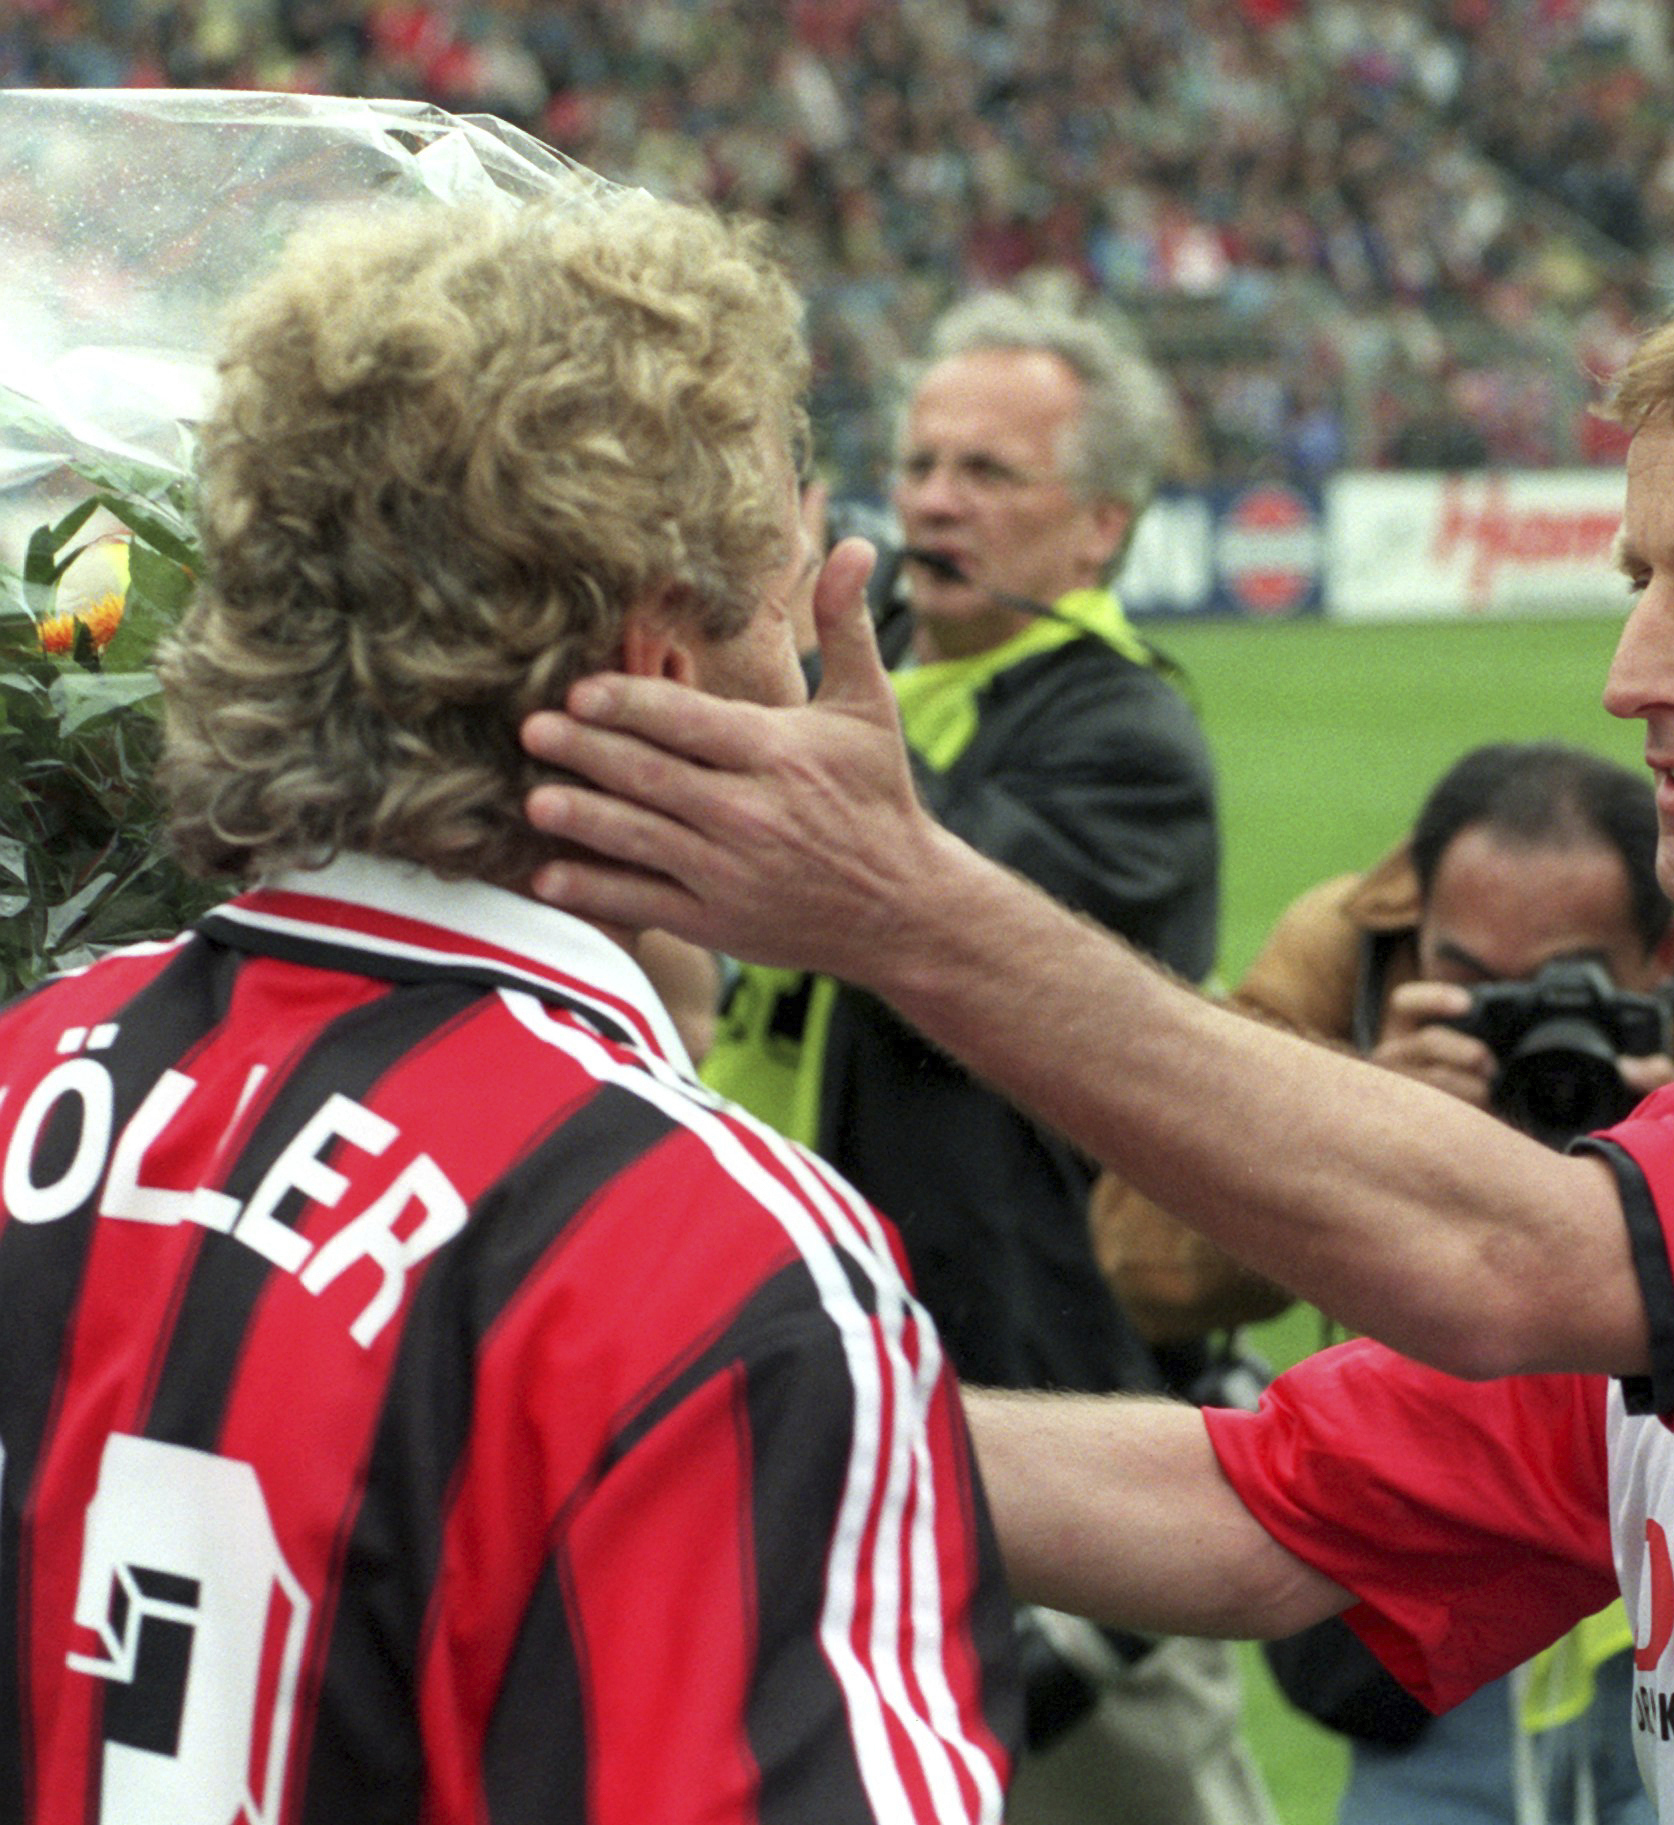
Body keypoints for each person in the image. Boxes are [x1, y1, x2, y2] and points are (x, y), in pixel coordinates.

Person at [518, 222, 1674, 1823]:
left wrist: (904, 909)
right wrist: (638, 1414)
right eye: (1644, 581)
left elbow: (1499, 1255)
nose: (1633, 675)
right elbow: (1247, 1513)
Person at [0, 192, 1015, 1822]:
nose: (816, 659)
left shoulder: (24, 1068)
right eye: (780, 593)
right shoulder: (703, 1256)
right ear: (663, 671)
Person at [694, 292, 1257, 1825]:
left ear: (1102, 528)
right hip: (808, 1341)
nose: (935, 497)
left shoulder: (1126, 732)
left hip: (1039, 1410)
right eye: (923, 462)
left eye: (989, 474)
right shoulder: (849, 655)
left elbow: (934, 928)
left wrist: (796, 670)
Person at [1090, 739, 1674, 1825]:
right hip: (1433, 1580)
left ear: (1663, 958)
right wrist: (1361, 1128)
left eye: (1564, 985)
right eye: (1467, 982)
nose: (1516, 1024)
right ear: (1413, 942)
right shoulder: (1345, 965)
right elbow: (1139, 1258)